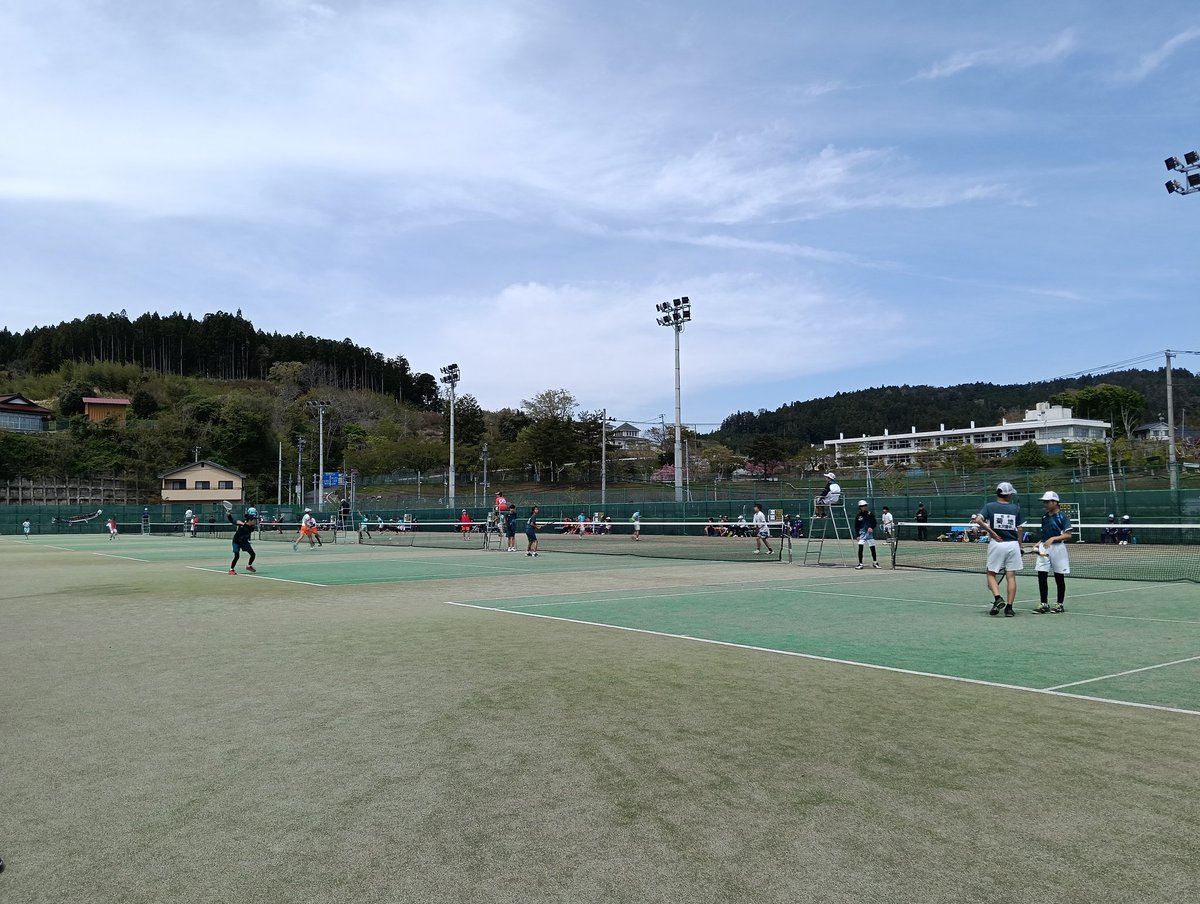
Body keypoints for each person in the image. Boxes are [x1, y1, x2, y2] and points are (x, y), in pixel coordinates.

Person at [973, 482, 1023, 617]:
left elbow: (978, 520)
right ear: (1009, 494)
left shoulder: (989, 506)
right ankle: (1009, 608)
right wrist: (1020, 545)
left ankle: (997, 598)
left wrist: (992, 533)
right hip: (1013, 545)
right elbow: (1019, 529)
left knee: (990, 574)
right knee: (1011, 577)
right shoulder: (1015, 508)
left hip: (997, 544)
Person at [1032, 491, 1071, 614]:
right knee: (1041, 576)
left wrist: (1054, 538)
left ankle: (1059, 604)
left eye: (1047, 501)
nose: (1045, 504)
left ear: (1055, 502)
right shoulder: (1044, 517)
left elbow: (1068, 535)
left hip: (1058, 549)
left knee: (1059, 577)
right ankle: (1044, 604)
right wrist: (1039, 542)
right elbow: (1045, 535)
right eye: (1044, 502)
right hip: (1044, 548)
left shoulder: (1062, 517)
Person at [228, 506, 259, 574]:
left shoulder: (251, 527)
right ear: (250, 519)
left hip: (244, 542)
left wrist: (242, 524)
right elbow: (232, 521)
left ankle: (249, 566)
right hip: (236, 541)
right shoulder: (243, 523)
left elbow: (246, 526)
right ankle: (231, 569)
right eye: (254, 520)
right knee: (237, 556)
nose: (255, 521)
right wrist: (229, 515)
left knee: (253, 554)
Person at [854, 500, 880, 569]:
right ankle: (860, 564)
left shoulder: (870, 514)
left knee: (872, 548)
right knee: (860, 548)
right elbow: (856, 526)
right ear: (860, 507)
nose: (865, 507)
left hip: (869, 534)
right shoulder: (858, 516)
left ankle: (875, 562)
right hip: (861, 534)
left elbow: (874, 522)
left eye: (866, 505)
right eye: (864, 506)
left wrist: (871, 527)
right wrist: (857, 535)